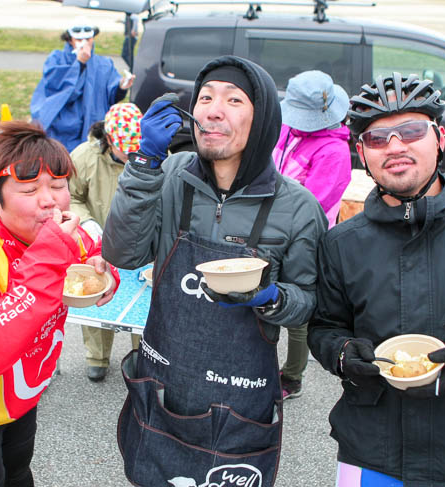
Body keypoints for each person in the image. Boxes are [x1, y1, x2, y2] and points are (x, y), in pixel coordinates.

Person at [102, 55, 327, 486]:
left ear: (262, 120)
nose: (213, 109)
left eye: (234, 99)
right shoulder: (167, 175)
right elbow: (123, 253)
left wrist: (272, 298)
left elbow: (308, 303)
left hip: (240, 401)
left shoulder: (298, 208)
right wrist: (145, 161)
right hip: (161, 384)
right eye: (205, 97)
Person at [307, 72, 445, 486]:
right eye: (377, 138)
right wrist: (342, 353)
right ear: (361, 153)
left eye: (411, 130)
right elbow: (324, 328)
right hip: (371, 454)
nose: (395, 146)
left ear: (440, 138)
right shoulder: (340, 243)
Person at [0, 121, 120, 487]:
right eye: (30, 189)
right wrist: (51, 254)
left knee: (19, 473)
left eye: (58, 186)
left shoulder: (57, 229)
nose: (49, 200)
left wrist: (104, 267)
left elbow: (92, 247)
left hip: (24, 390)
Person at [271, 70, 352, 401]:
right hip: (271, 227)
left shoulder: (334, 153)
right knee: (263, 299)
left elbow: (314, 206)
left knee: (297, 307)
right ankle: (257, 365)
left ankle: (292, 376)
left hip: (306, 239)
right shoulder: (288, 129)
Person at [69, 102, 143, 382]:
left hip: (138, 242)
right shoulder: (84, 157)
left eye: (138, 146)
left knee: (142, 299)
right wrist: (86, 223)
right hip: (95, 240)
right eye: (127, 148)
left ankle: (143, 355)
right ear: (110, 140)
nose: (133, 154)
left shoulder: (155, 155)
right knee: (95, 293)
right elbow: (71, 195)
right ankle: (97, 357)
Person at [29, 17, 135, 153]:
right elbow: (58, 91)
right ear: (69, 39)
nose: (84, 43)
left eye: (88, 39)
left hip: (92, 127)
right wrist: (79, 64)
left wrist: (121, 86)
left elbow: (110, 97)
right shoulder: (56, 60)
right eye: (79, 40)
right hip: (64, 130)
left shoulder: (104, 64)